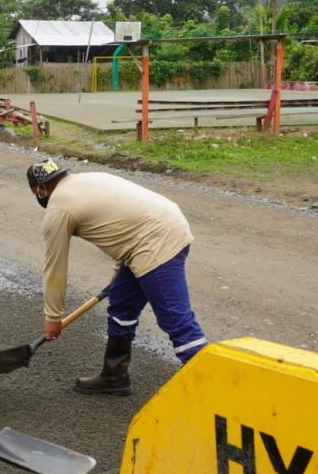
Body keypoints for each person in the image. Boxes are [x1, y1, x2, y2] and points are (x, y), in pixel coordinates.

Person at [26, 157, 207, 396]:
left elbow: (55, 268)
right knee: (122, 305)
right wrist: (116, 276)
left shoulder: (59, 208)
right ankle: (114, 376)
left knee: (176, 321)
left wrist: (53, 317)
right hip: (160, 226)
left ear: (39, 190)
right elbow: (124, 227)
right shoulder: (85, 180)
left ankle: (215, 392)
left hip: (156, 241)